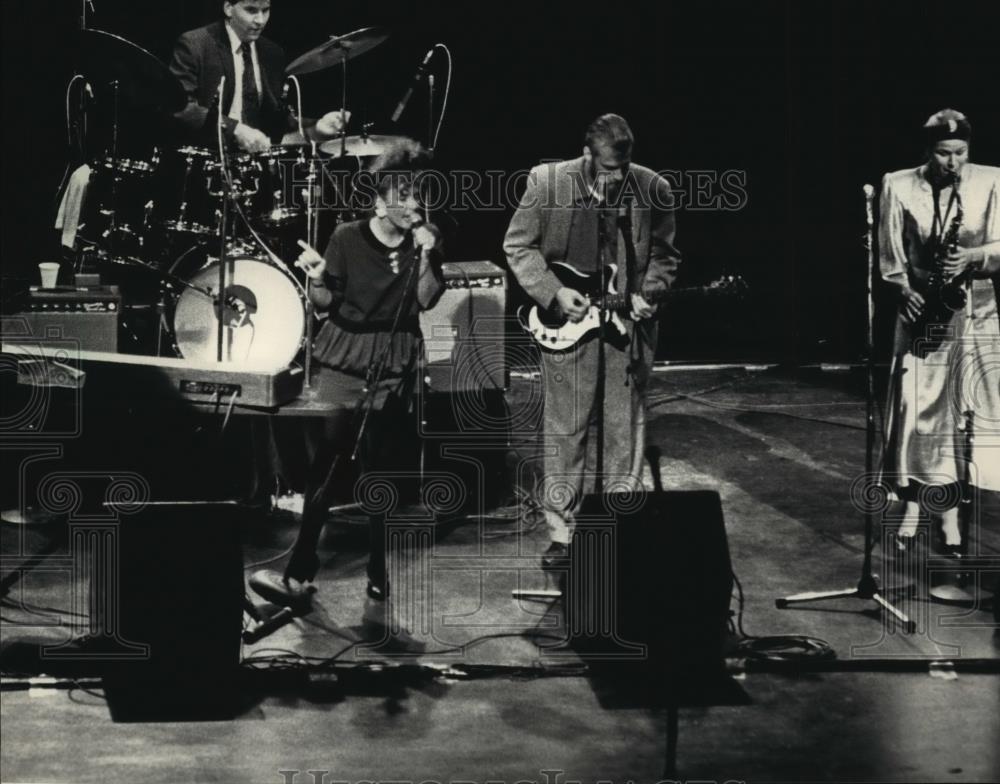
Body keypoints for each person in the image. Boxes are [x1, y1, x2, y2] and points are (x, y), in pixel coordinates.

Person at [251, 140, 444, 605]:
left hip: (393, 360)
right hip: (345, 356)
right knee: (331, 462)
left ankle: (378, 574)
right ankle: (299, 571)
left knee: (379, 471)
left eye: (418, 195)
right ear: (380, 200)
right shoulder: (346, 236)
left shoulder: (425, 240)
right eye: (403, 195)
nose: (414, 204)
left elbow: (427, 299)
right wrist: (317, 277)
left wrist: (429, 254)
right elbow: (325, 305)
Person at [503, 114, 681, 567]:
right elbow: (518, 247)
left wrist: (651, 295)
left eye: (623, 168)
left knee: (624, 430)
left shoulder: (652, 188)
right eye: (607, 170)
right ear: (586, 155)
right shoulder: (546, 183)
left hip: (625, 327)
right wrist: (553, 292)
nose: (617, 178)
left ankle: (621, 523)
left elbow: (664, 255)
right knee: (567, 430)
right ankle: (563, 533)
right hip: (569, 327)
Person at [879, 108, 1000, 561]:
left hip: (975, 311)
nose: (953, 162)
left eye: (961, 152)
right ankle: (911, 504)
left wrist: (974, 257)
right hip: (923, 309)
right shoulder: (898, 183)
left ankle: (949, 514)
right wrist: (902, 291)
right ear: (926, 151)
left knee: (962, 415)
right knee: (916, 411)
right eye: (943, 153)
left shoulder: (991, 181)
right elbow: (891, 253)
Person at [170, 0, 348, 153]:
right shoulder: (195, 44)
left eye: (266, 10)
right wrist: (235, 129)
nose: (260, 20)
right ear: (228, 8)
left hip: (256, 165)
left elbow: (278, 120)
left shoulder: (272, 53)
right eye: (251, 10)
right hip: (208, 160)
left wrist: (316, 128)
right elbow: (181, 107)